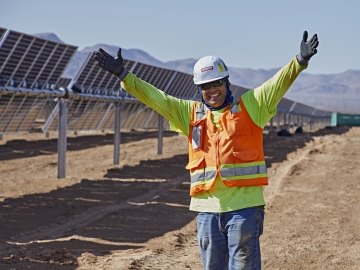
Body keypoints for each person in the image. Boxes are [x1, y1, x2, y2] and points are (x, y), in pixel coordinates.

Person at [93, 30, 319, 270]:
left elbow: (277, 84)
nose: (212, 90)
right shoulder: (189, 114)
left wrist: (299, 62)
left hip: (244, 209)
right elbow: (156, 98)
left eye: (217, 83)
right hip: (206, 210)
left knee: (243, 265)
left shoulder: (252, 106)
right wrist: (124, 76)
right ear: (199, 89)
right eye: (205, 86)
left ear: (227, 82)